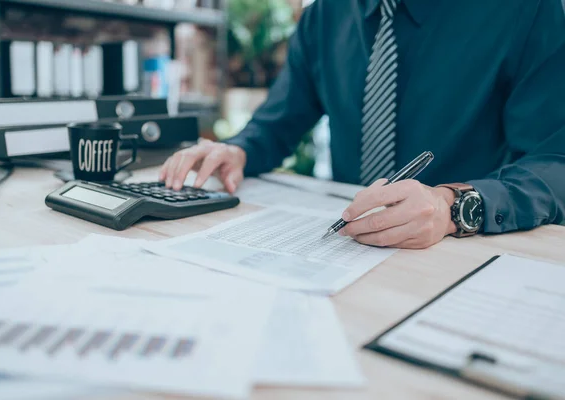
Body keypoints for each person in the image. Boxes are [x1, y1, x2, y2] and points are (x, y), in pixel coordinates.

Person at [160, 0, 565, 249]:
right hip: (348, 248)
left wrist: (453, 206)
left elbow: (554, 162)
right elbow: (276, 124)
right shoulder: (323, 16)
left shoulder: (524, 8)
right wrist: (238, 149)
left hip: (460, 254)